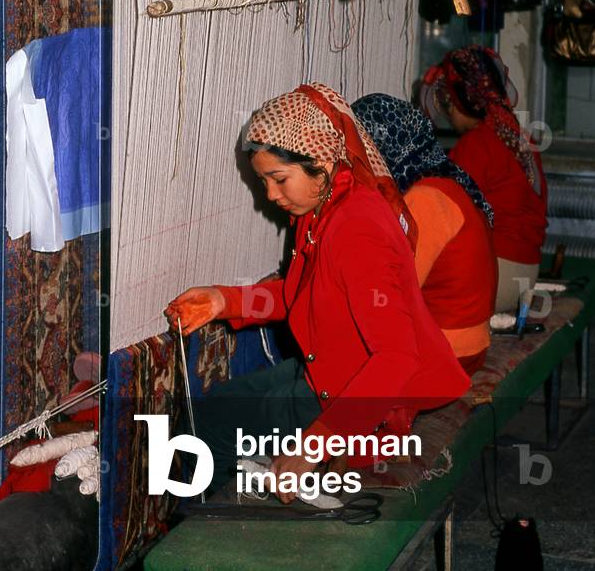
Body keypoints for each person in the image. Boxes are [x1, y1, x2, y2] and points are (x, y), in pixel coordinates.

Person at [165, 83, 470, 499]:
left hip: (365, 400)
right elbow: (297, 295)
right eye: (264, 180)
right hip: (330, 369)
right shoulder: (323, 209)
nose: (270, 195)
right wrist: (224, 300)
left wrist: (315, 443)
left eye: (279, 179)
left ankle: (217, 539)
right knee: (215, 407)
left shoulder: (356, 227)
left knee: (204, 430)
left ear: (321, 162)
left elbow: (397, 358)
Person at [352, 93, 497, 375]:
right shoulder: (444, 180)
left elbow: (394, 291)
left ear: (383, 148)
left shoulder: (425, 200)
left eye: (362, 149)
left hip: (447, 353)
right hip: (464, 344)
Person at [421, 46, 548, 314]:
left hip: (495, 278)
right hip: (526, 275)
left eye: (448, 105)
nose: (448, 115)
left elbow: (441, 214)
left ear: (459, 100)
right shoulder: (521, 138)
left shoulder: (475, 145)